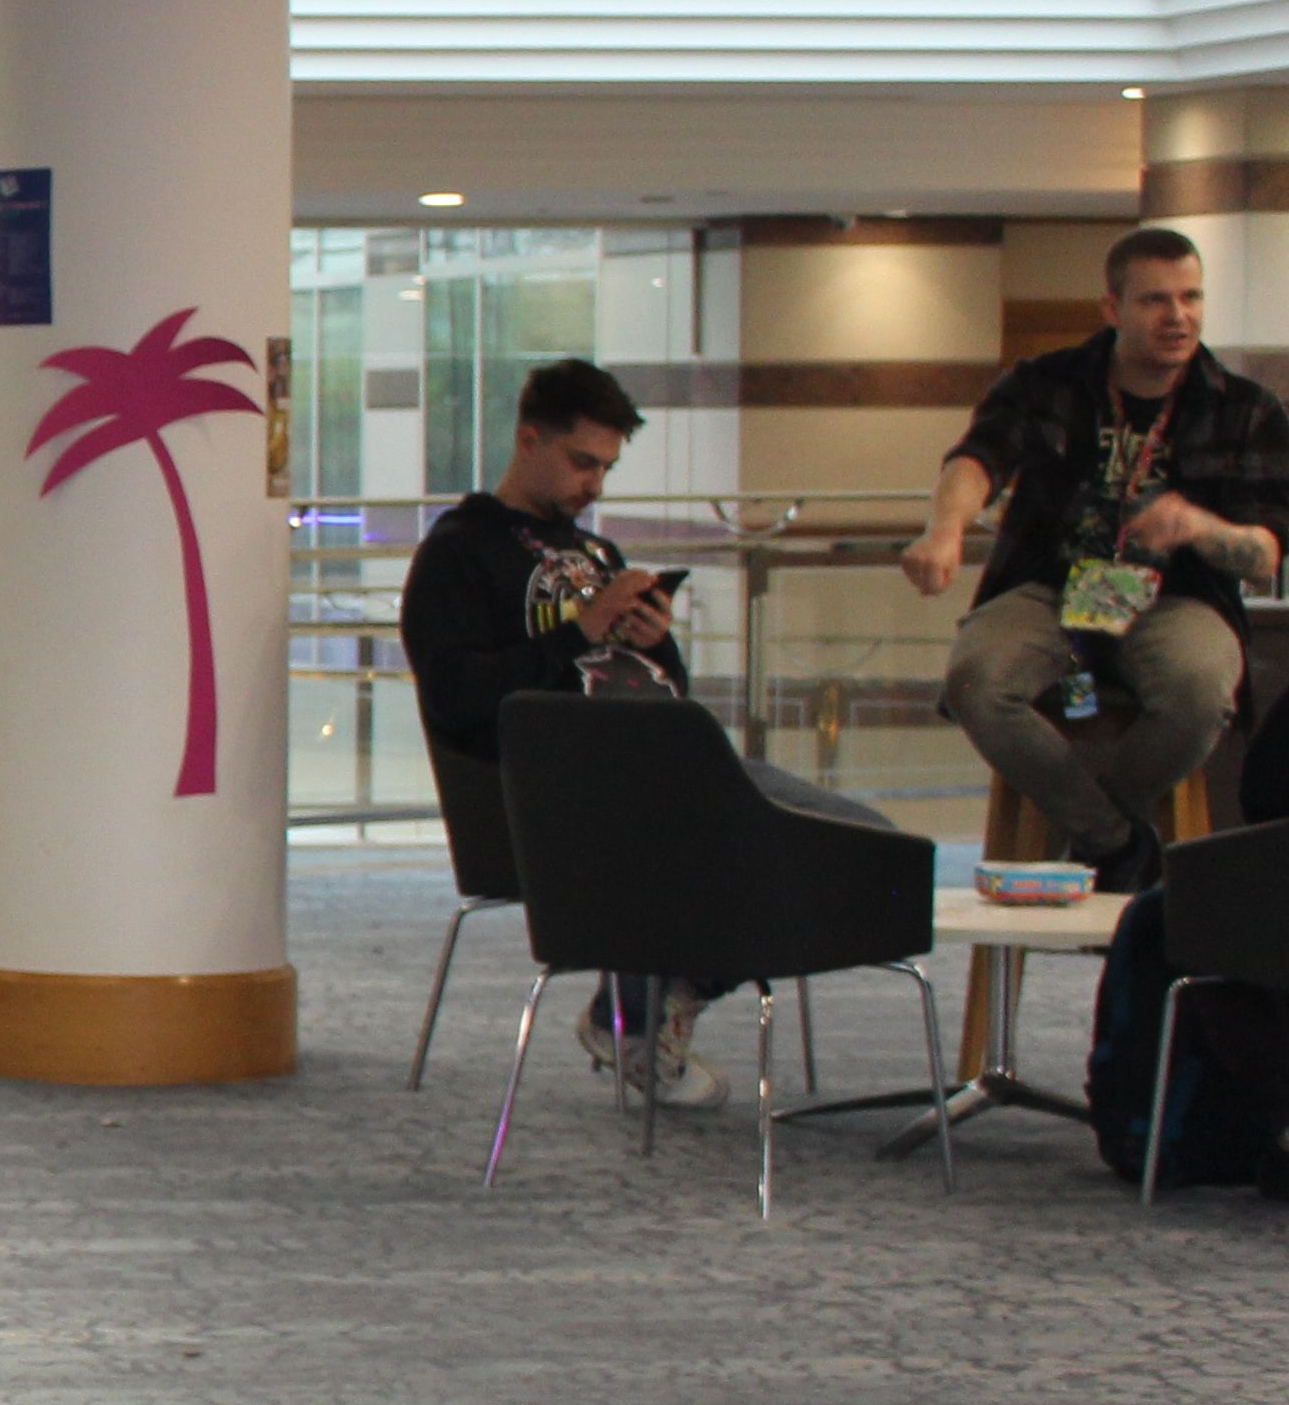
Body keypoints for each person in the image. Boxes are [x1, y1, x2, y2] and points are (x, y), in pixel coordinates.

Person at [401, 357, 890, 1108]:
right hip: (545, 792)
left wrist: (655, 642)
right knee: (756, 834)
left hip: (660, 765)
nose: (594, 484)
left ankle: (657, 995)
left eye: (607, 467)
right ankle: (640, 1007)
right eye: (582, 462)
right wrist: (579, 628)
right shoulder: (460, 552)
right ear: (529, 441)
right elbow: (456, 698)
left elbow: (663, 691)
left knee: (863, 843)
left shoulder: (597, 555)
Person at [911, 225, 1289, 887]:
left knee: (1200, 693)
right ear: (1112, 307)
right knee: (976, 681)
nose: (1178, 316)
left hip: (1179, 597)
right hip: (1049, 588)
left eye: (1191, 297)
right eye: (1155, 300)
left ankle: (1093, 828)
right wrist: (945, 530)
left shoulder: (1245, 409)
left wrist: (1197, 526)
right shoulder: (1046, 383)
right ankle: (1115, 842)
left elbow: (1264, 555)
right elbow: (978, 460)